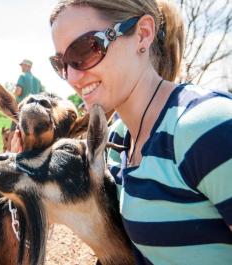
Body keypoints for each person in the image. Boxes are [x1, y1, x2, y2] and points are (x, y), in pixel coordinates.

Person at [12, 0, 232, 264]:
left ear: (143, 34)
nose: (71, 76)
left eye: (85, 49)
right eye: (61, 63)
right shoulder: (117, 138)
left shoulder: (207, 128)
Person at [7, 59, 44, 151]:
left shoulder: (22, 76)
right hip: (35, 111)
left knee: (13, 130)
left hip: (22, 110)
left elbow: (18, 92)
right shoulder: (37, 80)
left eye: (22, 65)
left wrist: (12, 94)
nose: (21, 67)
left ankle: (8, 152)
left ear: (28, 66)